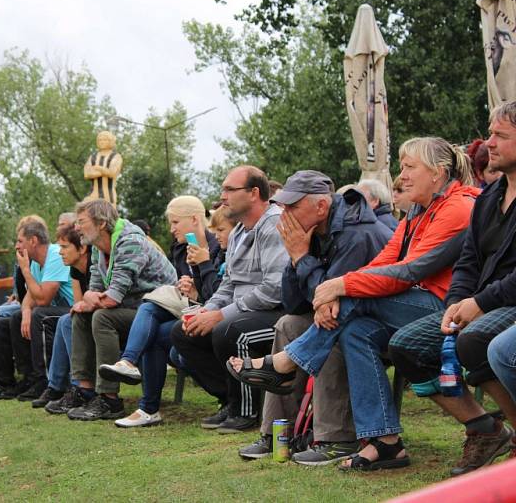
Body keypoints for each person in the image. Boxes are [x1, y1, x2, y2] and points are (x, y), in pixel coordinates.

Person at [233, 137, 479, 471]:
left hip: (449, 309)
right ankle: (385, 442)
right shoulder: (420, 212)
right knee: (351, 330)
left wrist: (339, 285)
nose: (401, 176)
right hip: (413, 306)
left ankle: (289, 367)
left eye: (409, 168)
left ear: (437, 173)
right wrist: (304, 264)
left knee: (346, 313)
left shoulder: (457, 208)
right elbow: (380, 263)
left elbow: (408, 272)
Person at [389, 105, 516, 476]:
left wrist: (479, 301)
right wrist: (456, 301)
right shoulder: (490, 197)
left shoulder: (464, 202)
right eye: (491, 133)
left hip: (506, 301)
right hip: (482, 302)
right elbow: (468, 261)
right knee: (407, 346)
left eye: (501, 136)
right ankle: (485, 429)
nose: (488, 143)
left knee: (475, 342)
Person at [233, 171, 392, 465]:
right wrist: (296, 258)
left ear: (321, 207)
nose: (285, 214)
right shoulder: (312, 232)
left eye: (293, 206)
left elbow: (335, 299)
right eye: (283, 206)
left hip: (378, 321)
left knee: (331, 328)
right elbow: (294, 304)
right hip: (343, 314)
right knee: (288, 324)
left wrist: (301, 258)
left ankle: (337, 437)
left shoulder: (357, 233)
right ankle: (278, 432)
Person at [171, 165, 288, 433]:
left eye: (229, 189)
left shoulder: (273, 225)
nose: (223, 196)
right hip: (245, 309)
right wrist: (206, 311)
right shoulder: (238, 232)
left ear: (253, 193)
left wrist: (222, 315)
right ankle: (229, 400)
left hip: (278, 311)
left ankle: (247, 413)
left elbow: (274, 289)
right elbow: (229, 285)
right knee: (183, 331)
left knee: (229, 330)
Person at [98, 195, 220, 427]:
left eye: (175, 222)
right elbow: (195, 291)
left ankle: (133, 374)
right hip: (189, 309)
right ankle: (146, 406)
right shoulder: (181, 248)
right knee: (151, 312)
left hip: (213, 314)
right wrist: (189, 288)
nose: (171, 229)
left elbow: (221, 294)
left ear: (194, 219)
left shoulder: (218, 246)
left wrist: (199, 279)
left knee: (150, 314)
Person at [67, 199, 177, 421]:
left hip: (158, 310)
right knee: (81, 316)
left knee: (102, 316)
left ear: (100, 223)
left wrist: (91, 298)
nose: (76, 228)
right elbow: (95, 288)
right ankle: (86, 390)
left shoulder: (130, 241)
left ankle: (110, 399)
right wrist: (90, 297)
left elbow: (113, 297)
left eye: (81, 222)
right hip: (133, 307)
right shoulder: (99, 247)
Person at [0, 218, 73, 400]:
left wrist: (25, 271)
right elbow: (30, 297)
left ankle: (45, 380)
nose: (16, 246)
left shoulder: (56, 255)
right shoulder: (35, 262)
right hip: (54, 311)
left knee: (40, 314)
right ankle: (29, 378)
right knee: (17, 317)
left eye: (20, 241)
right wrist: (25, 311)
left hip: (73, 310)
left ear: (33, 241)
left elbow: (42, 299)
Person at [35, 223, 92, 411]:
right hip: (89, 314)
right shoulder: (75, 270)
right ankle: (56, 387)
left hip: (105, 316)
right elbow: (77, 303)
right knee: (66, 319)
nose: (60, 252)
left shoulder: (94, 265)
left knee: (67, 321)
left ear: (82, 248)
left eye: (65, 247)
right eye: (59, 247)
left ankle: (81, 388)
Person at [84, 130, 122, 205]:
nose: (101, 142)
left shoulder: (116, 156)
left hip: (108, 196)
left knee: (107, 215)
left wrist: (97, 167)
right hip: (92, 195)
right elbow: (86, 174)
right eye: (100, 140)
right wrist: (104, 171)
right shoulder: (93, 157)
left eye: (104, 140)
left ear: (110, 141)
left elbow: (112, 173)